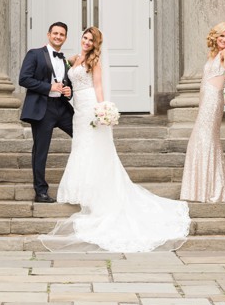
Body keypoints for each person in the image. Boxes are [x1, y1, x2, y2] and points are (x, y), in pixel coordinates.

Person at [42, 27, 190, 252]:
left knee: (96, 148)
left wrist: (102, 109)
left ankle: (96, 190)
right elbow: (69, 84)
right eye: (84, 37)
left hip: (91, 105)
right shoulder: (73, 59)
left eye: (91, 40)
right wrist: (67, 94)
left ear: (95, 44)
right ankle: (79, 188)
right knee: (81, 146)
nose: (86, 41)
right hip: (78, 109)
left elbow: (98, 86)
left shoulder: (94, 62)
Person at [180, 22, 225, 203]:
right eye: (223, 36)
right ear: (215, 36)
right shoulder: (212, 54)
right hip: (205, 99)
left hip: (213, 100)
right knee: (200, 137)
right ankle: (198, 189)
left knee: (207, 138)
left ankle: (211, 189)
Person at [19, 22, 73, 203]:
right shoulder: (34, 54)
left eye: (62, 34)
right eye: (55, 33)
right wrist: (49, 86)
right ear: (49, 34)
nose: (58, 37)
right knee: (41, 151)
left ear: (65, 38)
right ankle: (40, 191)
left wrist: (68, 91)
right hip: (43, 108)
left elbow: (68, 83)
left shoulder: (64, 59)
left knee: (84, 136)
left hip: (62, 108)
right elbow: (24, 79)